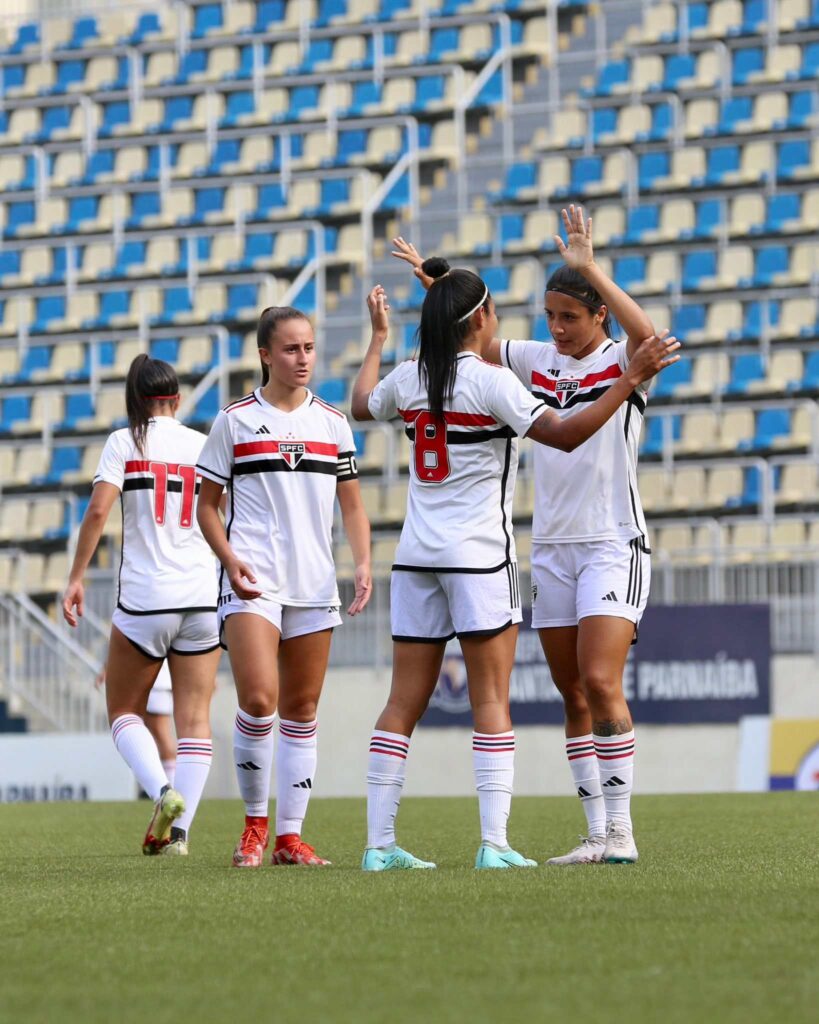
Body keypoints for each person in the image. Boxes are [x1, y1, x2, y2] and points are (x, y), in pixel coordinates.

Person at [351, 260, 678, 871]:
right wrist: (455, 299)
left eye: (568, 316)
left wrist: (590, 273)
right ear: (482, 319)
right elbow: (560, 430)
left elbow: (363, 404)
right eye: (550, 315)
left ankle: (618, 831)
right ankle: (536, 840)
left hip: (605, 542)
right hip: (532, 550)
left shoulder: (415, 375)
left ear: (597, 314)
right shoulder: (517, 371)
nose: (555, 327)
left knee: (598, 683)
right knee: (562, 692)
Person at [196, 305, 372, 869]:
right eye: (291, 349)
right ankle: (253, 828)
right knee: (258, 699)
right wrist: (229, 559)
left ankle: (290, 840)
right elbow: (205, 506)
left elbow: (352, 504)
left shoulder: (333, 423)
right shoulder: (235, 421)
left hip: (314, 584)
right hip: (253, 583)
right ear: (265, 355)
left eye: (310, 348)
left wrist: (363, 562)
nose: (303, 359)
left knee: (301, 709)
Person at [63, 354, 220, 856]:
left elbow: (98, 510)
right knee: (195, 721)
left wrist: (75, 578)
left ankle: (162, 792)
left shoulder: (122, 442)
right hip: (201, 597)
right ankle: (179, 835)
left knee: (123, 713)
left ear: (135, 400)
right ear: (176, 398)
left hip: (145, 600)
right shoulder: (203, 443)